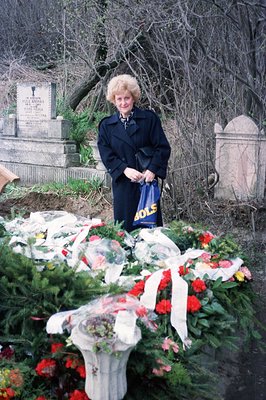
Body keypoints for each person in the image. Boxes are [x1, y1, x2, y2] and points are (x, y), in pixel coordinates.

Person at [97, 74, 171, 232]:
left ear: (133, 98)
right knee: (125, 230)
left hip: (146, 184)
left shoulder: (149, 119)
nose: (123, 103)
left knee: (149, 231)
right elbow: (106, 154)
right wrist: (124, 169)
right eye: (119, 99)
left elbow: (163, 147)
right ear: (113, 100)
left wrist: (152, 170)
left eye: (127, 98)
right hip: (123, 184)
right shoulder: (106, 126)